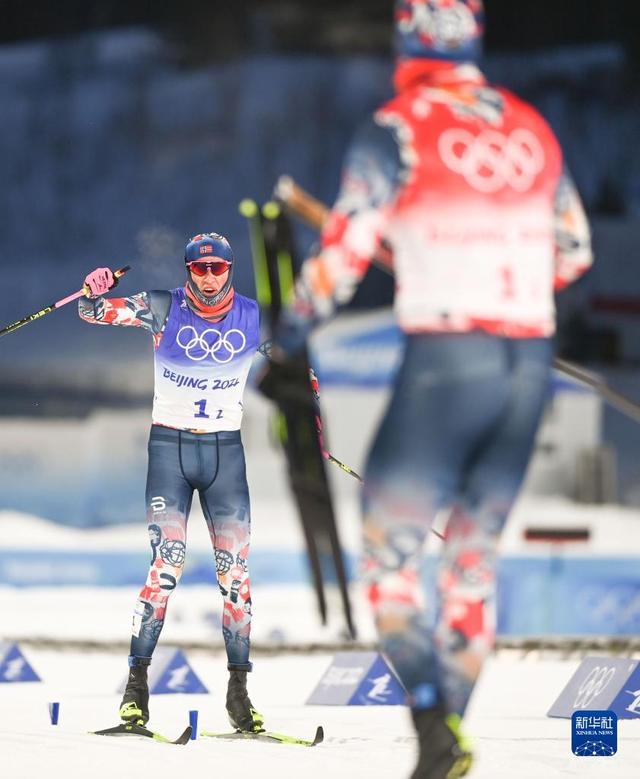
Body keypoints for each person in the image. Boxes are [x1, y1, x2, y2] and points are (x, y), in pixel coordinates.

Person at [259, 2, 593, 777]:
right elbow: (573, 251)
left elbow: (343, 253)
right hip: (528, 361)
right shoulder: (530, 126)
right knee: (472, 561)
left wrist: (288, 342)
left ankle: (431, 722)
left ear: (406, 38)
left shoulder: (397, 124)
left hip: (448, 363)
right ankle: (451, 738)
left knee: (391, 551)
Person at [80, 232, 264, 733]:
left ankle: (239, 696)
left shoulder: (253, 315)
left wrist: (304, 396)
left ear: (229, 269)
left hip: (225, 453)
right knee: (167, 565)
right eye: (199, 268)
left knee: (236, 576)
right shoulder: (160, 306)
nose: (208, 277)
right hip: (170, 451)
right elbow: (93, 313)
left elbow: (298, 360)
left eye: (216, 268)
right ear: (188, 270)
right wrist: (93, 291)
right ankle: (135, 692)